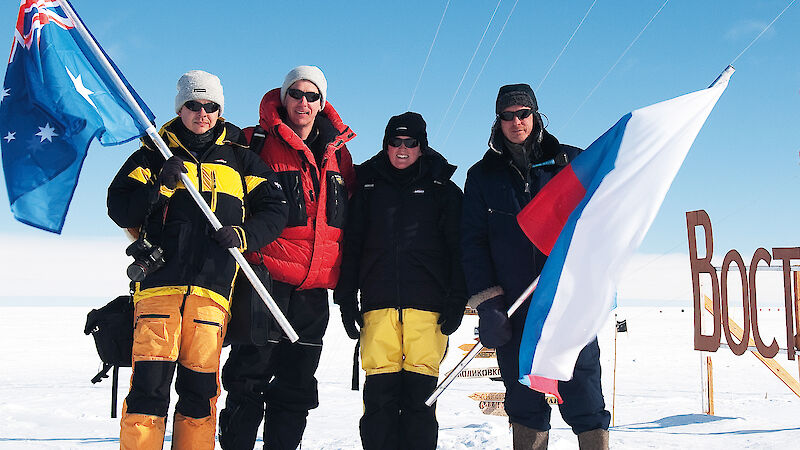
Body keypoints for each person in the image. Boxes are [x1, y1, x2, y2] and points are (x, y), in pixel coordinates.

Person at [107, 70, 289, 450]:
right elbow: (120, 207)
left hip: (213, 293)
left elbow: (274, 211)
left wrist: (243, 235)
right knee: (147, 393)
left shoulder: (243, 160)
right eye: (193, 104)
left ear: (219, 110)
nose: (201, 113)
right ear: (181, 107)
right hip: (158, 290)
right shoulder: (153, 152)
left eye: (210, 106)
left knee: (200, 394)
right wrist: (161, 183)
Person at [461, 84, 611, 449]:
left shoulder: (573, 163)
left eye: (523, 114)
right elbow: (473, 243)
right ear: (498, 121)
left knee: (586, 400)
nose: (517, 122)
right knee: (525, 405)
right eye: (508, 116)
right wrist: (488, 303)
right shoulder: (482, 176)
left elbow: (603, 220)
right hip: (514, 310)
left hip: (568, 305)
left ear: (536, 115)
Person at [219, 65, 356, 450]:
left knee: (297, 386)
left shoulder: (339, 154)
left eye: (313, 96)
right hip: (265, 284)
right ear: (283, 97)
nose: (304, 102)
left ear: (322, 103)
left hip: (315, 291)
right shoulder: (252, 142)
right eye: (296, 93)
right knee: (249, 380)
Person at [334, 112, 467, 449]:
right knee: (379, 401)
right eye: (396, 141)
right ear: (386, 145)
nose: (403, 148)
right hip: (377, 307)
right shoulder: (365, 187)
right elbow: (352, 245)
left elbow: (460, 248)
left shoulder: (444, 190)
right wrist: (347, 296)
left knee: (420, 403)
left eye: (411, 142)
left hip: (428, 310)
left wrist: (457, 298)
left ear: (422, 147)